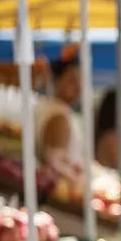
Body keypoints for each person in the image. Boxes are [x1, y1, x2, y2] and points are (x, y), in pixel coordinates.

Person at [37, 45, 86, 180]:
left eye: (80, 81)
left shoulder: (51, 108)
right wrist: (77, 175)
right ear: (57, 81)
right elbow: (54, 162)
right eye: (72, 81)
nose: (78, 87)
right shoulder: (59, 115)